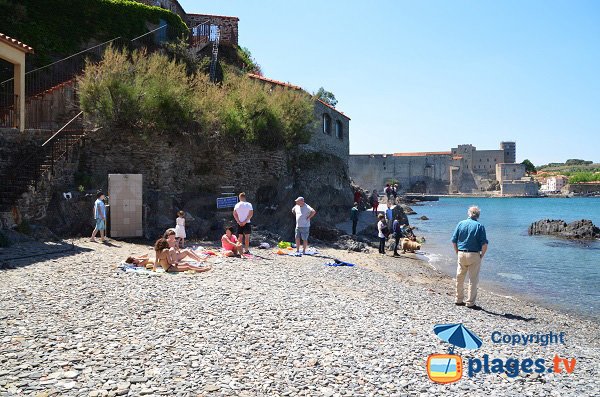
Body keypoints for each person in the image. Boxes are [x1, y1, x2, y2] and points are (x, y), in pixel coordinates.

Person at [451, 206, 489, 310]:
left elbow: (454, 240)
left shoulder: (461, 223)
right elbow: (484, 244)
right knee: (473, 279)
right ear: (478, 215)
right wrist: (481, 255)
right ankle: (470, 302)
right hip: (474, 254)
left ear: (469, 213)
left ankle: (458, 299)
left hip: (461, 253)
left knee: (460, 277)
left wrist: (457, 251)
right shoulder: (479, 226)